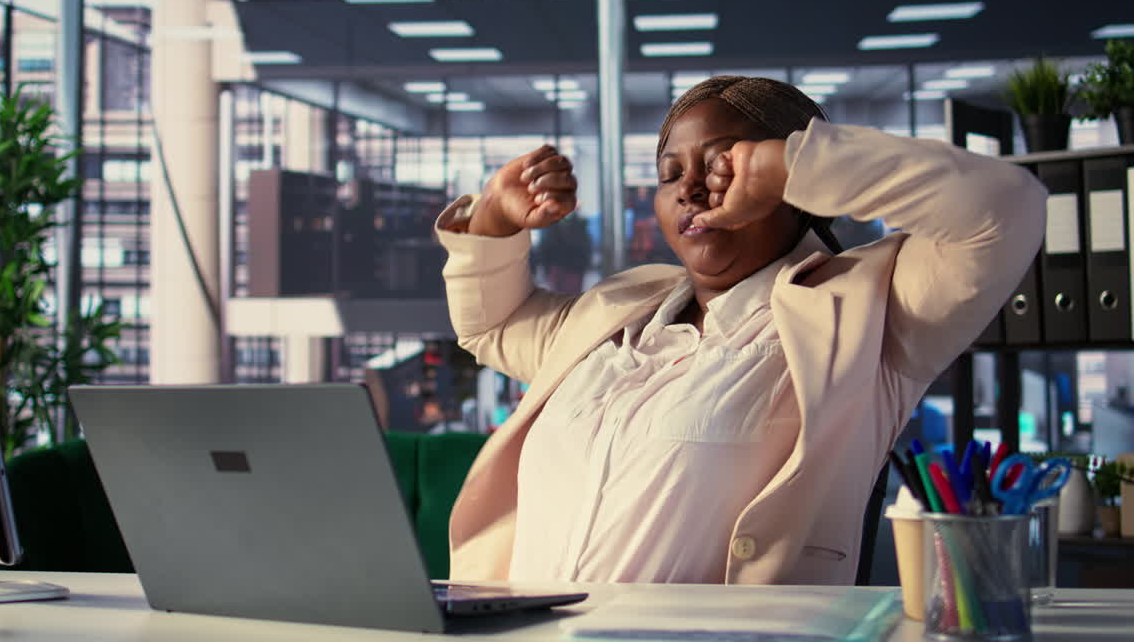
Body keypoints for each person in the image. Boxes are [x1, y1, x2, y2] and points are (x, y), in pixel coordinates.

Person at [433, 76, 1045, 584]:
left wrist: (791, 165)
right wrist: (492, 218)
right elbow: (493, 325)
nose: (692, 188)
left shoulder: (868, 310)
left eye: (722, 164)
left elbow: (1007, 207)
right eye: (672, 172)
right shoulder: (616, 313)